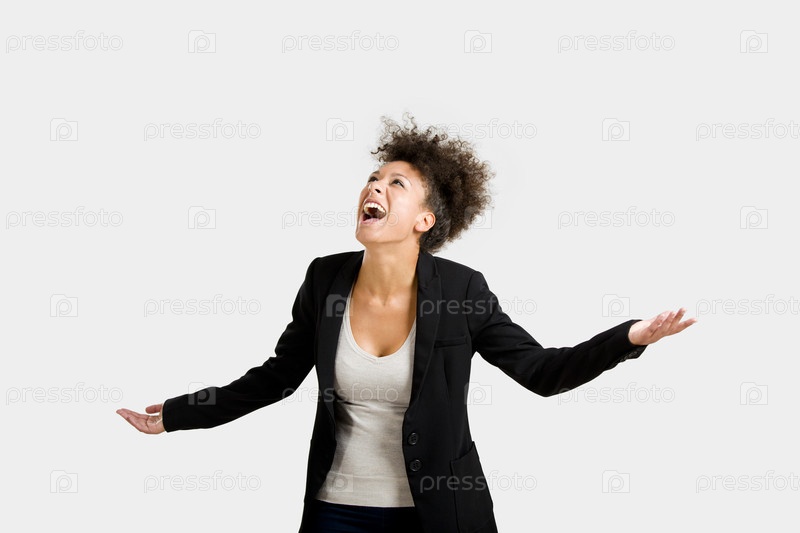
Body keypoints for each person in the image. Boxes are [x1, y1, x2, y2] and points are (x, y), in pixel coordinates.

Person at [117, 112, 697, 532]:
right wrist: (177, 414)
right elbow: (275, 378)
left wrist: (629, 338)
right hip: (337, 510)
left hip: (440, 514)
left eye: (397, 183)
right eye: (374, 178)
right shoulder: (325, 279)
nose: (375, 186)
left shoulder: (463, 290)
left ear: (425, 219)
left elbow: (541, 372)